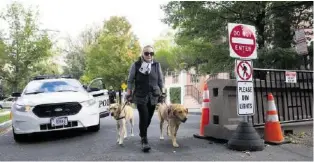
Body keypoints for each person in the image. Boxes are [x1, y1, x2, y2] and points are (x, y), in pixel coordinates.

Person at [126, 45, 164, 152]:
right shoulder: (136, 65)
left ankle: (142, 132)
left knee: (149, 118)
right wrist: (129, 92)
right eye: (146, 53)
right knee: (144, 116)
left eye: (151, 53)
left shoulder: (156, 65)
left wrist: (163, 93)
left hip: (153, 95)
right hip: (140, 95)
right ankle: (144, 140)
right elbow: (130, 80)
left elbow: (160, 80)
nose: (149, 55)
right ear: (142, 54)